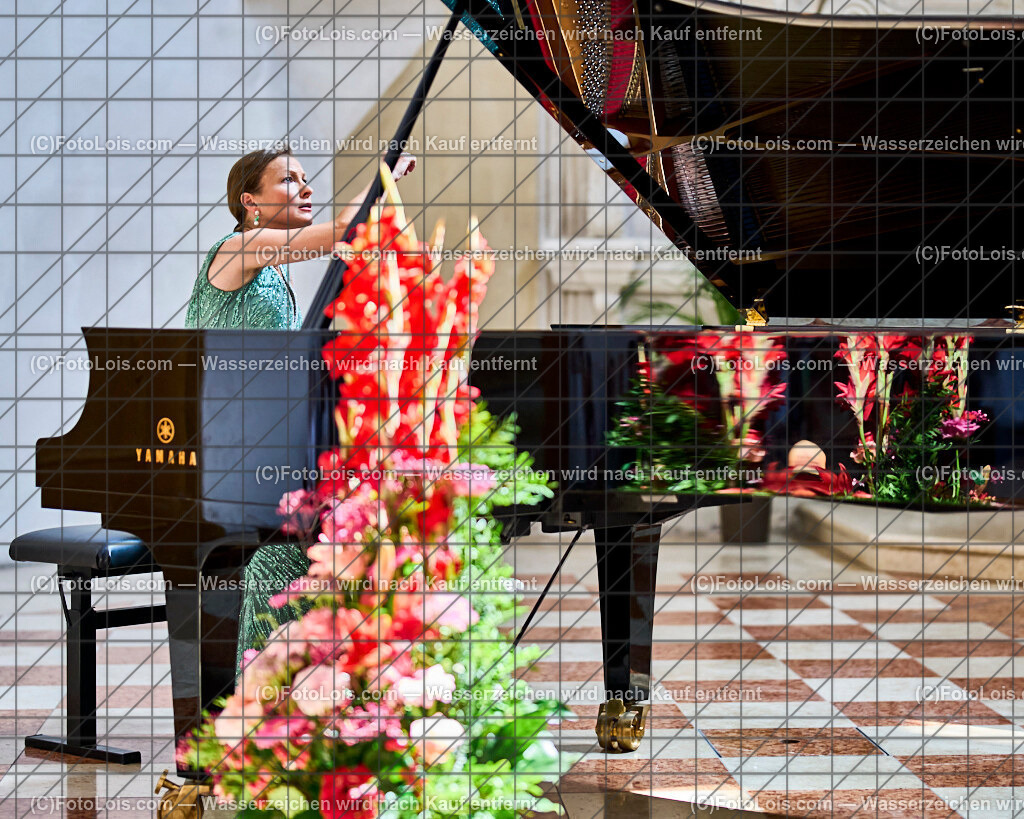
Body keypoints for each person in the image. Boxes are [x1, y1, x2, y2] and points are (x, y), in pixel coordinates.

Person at [185, 146, 415, 668]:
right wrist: (385, 176)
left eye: (306, 178)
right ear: (251, 202)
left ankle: (338, 682)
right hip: (224, 453)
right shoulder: (236, 249)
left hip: (260, 447)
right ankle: (276, 685)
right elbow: (345, 231)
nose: (307, 188)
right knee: (302, 547)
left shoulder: (269, 268)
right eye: (289, 180)